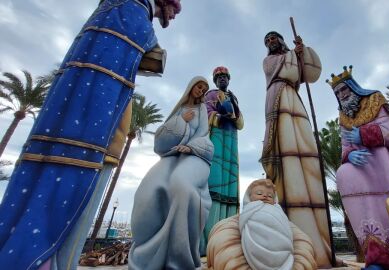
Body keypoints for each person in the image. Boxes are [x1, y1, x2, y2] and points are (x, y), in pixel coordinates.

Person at [0, 0, 181, 269]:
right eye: (172, 5)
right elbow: (154, 60)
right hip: (92, 130)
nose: (174, 11)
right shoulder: (133, 13)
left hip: (95, 122)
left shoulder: (118, 11)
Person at [327, 66, 389, 269]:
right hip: (362, 168)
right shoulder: (343, 117)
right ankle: (377, 254)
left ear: (354, 88)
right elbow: (345, 146)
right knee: (344, 175)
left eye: (344, 90)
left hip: (387, 168)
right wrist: (350, 154)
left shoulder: (375, 100)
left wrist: (364, 135)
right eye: (337, 93)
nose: (341, 95)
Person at [259, 31, 332, 267]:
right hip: (277, 97)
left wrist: (303, 52)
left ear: (281, 40)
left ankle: (320, 245)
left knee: (304, 146)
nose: (271, 42)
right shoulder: (270, 61)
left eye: (274, 38)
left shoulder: (290, 54)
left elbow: (309, 75)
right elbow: (287, 71)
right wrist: (295, 56)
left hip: (293, 97)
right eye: (267, 41)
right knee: (284, 146)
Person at [129, 76, 213, 270]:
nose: (200, 91)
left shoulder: (201, 110)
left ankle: (179, 256)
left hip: (193, 155)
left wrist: (191, 148)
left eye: (203, 89)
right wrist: (181, 121)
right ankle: (147, 252)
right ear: (191, 87)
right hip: (171, 156)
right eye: (199, 87)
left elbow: (203, 135)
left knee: (181, 184)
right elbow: (161, 139)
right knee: (149, 189)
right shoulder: (179, 110)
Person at [207, 179, 316, 270]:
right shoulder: (248, 211)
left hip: (281, 248)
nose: (265, 196)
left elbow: (287, 229)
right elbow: (242, 223)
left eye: (270, 195)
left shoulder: (278, 212)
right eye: (259, 193)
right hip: (254, 247)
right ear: (249, 197)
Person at [200, 66, 244, 254]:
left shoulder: (233, 96)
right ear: (214, 80)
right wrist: (219, 115)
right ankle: (209, 239)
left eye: (224, 77)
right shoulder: (210, 95)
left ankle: (227, 236)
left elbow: (240, 122)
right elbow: (205, 114)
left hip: (231, 138)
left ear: (229, 79)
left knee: (231, 183)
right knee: (215, 183)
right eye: (218, 77)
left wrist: (233, 114)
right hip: (217, 136)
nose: (222, 80)